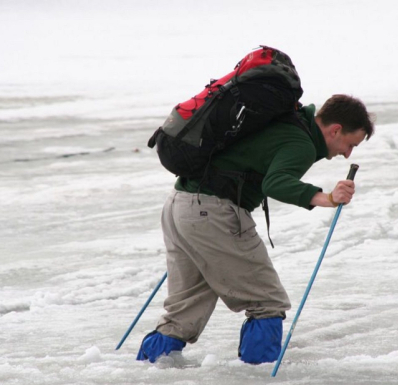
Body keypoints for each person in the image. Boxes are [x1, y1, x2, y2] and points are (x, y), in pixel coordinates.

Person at [137, 94, 375, 365]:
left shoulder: (285, 120)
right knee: (268, 303)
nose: (347, 153)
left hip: (179, 206)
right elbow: (274, 183)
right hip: (213, 213)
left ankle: (147, 370)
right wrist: (327, 198)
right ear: (335, 130)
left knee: (183, 311)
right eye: (350, 144)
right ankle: (259, 378)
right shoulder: (301, 142)